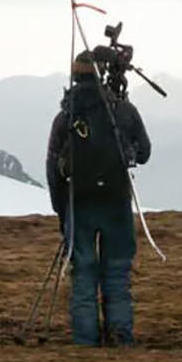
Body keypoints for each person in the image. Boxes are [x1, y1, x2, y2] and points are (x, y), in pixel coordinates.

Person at [46, 51, 151, 346]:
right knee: (116, 274)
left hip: (78, 204)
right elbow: (144, 152)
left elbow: (53, 169)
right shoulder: (123, 111)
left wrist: (61, 212)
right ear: (101, 73)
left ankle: (86, 341)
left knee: (83, 275)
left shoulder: (65, 118)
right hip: (116, 202)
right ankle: (119, 334)